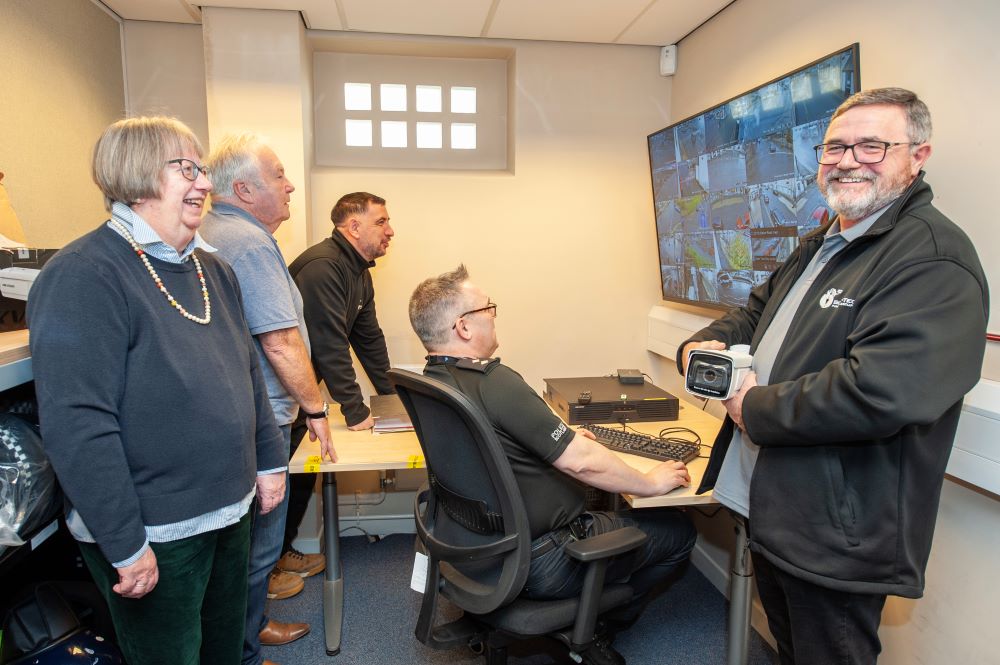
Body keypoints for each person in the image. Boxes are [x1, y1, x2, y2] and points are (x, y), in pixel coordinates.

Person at [678, 88, 989, 665]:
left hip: (839, 533)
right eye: (835, 147)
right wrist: (700, 351)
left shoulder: (932, 258)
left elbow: (881, 389)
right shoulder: (825, 240)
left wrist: (754, 408)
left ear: (917, 155)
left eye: (872, 145)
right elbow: (753, 313)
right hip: (778, 509)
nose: (847, 160)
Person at [27, 116, 287, 665]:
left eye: (203, 170)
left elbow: (247, 376)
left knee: (223, 650)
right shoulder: (83, 274)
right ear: (138, 175)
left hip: (230, 509)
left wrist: (268, 463)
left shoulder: (213, 269)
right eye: (186, 169)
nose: (204, 184)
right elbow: (78, 425)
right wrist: (124, 543)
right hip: (155, 530)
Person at [408, 265, 697, 665]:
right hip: (544, 559)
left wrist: (568, 444)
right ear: (464, 328)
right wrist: (649, 482)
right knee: (679, 530)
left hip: (469, 544)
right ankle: (601, 624)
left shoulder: (433, 378)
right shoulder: (495, 381)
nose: (493, 314)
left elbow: (504, 446)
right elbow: (582, 463)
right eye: (487, 308)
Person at [200, 134, 335, 665]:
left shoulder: (215, 231)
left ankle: (248, 632)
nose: (290, 184)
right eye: (278, 175)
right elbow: (280, 340)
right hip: (266, 423)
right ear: (242, 188)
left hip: (235, 419)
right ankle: (246, 652)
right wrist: (316, 409)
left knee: (244, 548)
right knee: (257, 550)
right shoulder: (250, 244)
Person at [281, 192, 395, 567]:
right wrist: (355, 410)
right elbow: (330, 344)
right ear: (353, 226)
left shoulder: (358, 274)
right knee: (282, 483)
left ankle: (281, 558)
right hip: (281, 396)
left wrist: (393, 400)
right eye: (381, 222)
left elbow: (369, 341)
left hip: (303, 392)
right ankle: (270, 567)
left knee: (298, 481)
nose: (390, 231)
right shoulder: (324, 267)